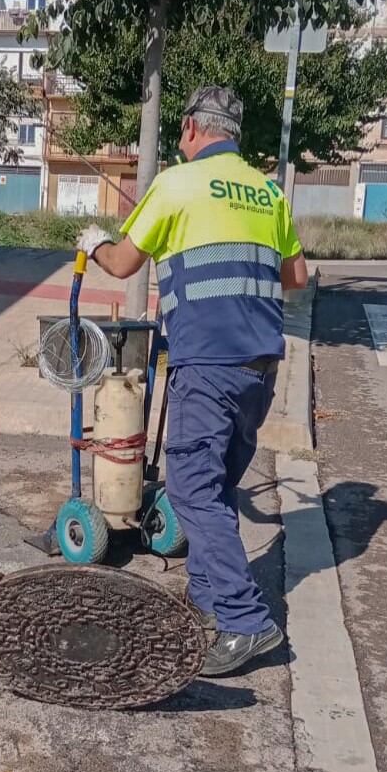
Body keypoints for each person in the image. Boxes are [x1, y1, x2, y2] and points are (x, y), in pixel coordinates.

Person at [76, 86, 309, 677]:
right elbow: (297, 276)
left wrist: (94, 242)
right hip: (260, 365)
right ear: (234, 133)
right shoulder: (265, 190)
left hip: (207, 363)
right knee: (218, 486)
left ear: (188, 130)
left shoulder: (177, 184)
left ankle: (244, 621)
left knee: (191, 491)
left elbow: (126, 263)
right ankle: (205, 595)